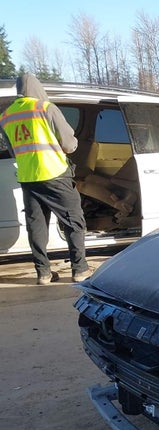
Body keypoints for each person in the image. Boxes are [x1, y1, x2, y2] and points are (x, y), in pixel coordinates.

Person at [0, 73, 91, 284]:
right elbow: (69, 144)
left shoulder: (6, 116)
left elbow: (14, 150)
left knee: (37, 226)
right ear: (37, 88)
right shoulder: (45, 108)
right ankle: (80, 270)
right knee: (73, 220)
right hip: (54, 174)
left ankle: (43, 273)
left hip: (28, 177)